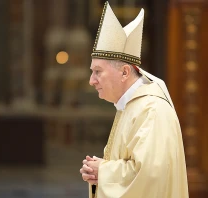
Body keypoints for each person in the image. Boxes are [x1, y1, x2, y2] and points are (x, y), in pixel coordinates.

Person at [79, 2, 189, 198]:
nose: (91, 81)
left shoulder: (152, 110)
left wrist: (102, 171)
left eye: (98, 72)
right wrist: (98, 172)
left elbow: (150, 177)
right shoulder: (130, 106)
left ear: (124, 72)